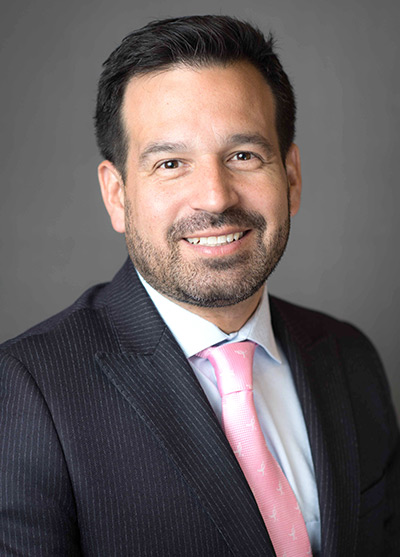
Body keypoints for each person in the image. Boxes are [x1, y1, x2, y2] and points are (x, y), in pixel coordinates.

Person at [0, 14, 399, 557]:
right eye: (171, 163)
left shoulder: (351, 359)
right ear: (117, 195)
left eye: (243, 156)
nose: (215, 197)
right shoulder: (28, 392)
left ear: (291, 177)